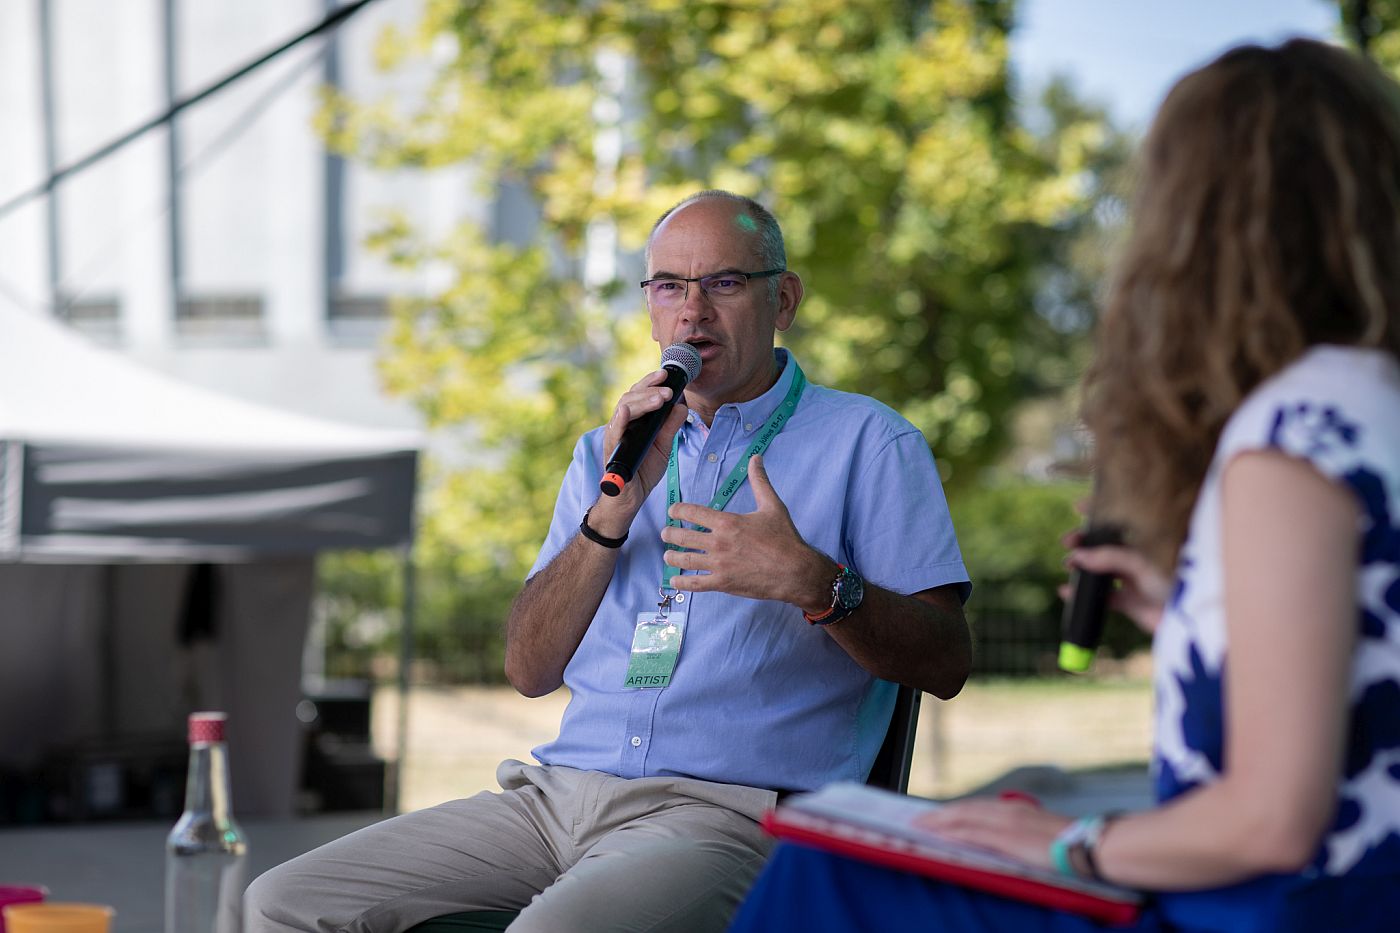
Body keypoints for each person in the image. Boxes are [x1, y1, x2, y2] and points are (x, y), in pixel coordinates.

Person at [728, 38, 1400, 933]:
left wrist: (1066, 844)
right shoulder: (1369, 396)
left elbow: (1273, 821)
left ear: (1198, 224)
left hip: (1272, 909)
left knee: (822, 872)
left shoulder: (1287, 443)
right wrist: (1184, 610)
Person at [244, 190, 973, 933]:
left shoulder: (871, 443)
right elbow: (529, 670)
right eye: (668, 286)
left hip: (726, 815)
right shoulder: (608, 452)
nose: (692, 312)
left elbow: (946, 661)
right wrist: (608, 518)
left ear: (782, 299)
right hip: (554, 797)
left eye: (723, 283)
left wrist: (817, 584)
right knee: (282, 901)